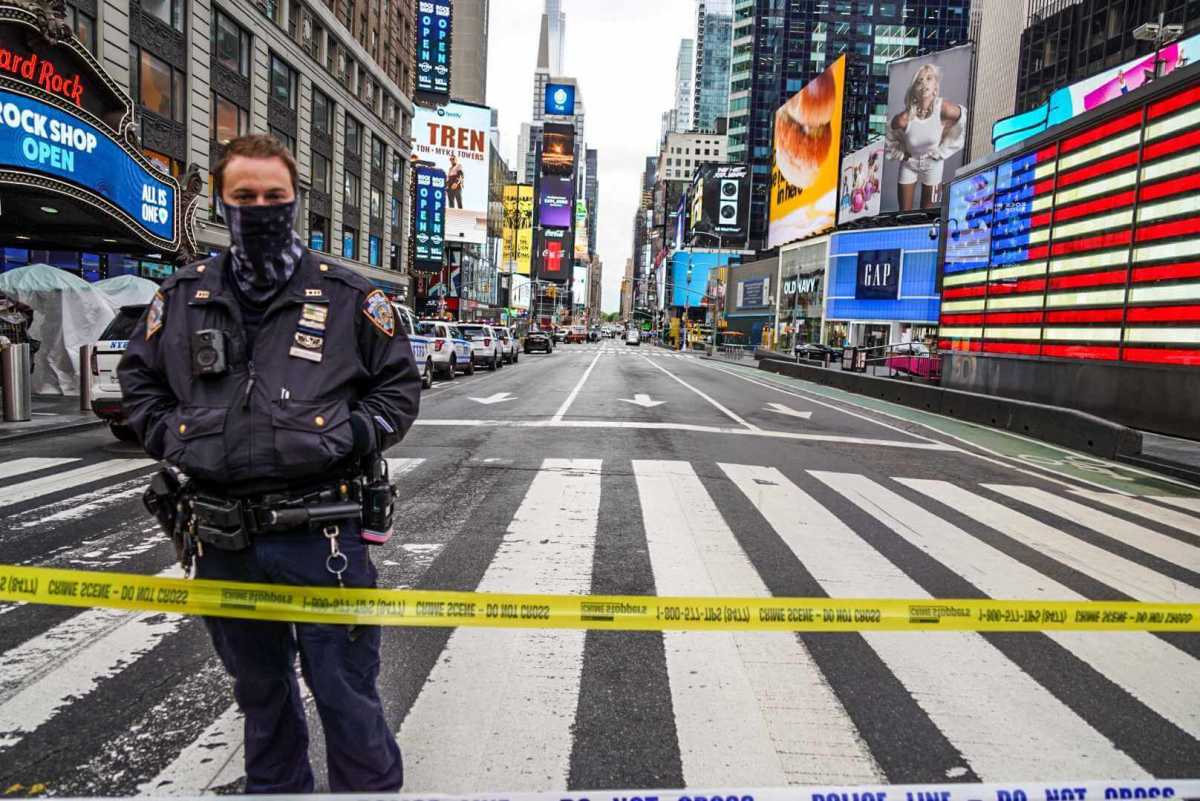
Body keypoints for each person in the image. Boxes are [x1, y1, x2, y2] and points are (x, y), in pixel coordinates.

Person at [118, 134, 419, 793]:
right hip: (223, 537)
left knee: (346, 693)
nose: (260, 208)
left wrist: (353, 431)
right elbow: (137, 381)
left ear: (295, 202)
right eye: (244, 197)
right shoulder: (182, 294)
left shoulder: (349, 296)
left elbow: (399, 386)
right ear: (223, 205)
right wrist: (171, 434)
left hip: (324, 536)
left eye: (274, 197)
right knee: (260, 693)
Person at [885, 63, 967, 211]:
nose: (924, 83)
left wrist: (942, 151)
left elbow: (965, 121)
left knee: (927, 212)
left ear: (936, 86)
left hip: (933, 164)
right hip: (910, 163)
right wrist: (901, 154)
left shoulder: (944, 109)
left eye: (929, 78)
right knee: (904, 213)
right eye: (919, 81)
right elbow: (888, 138)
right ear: (914, 90)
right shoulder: (904, 118)